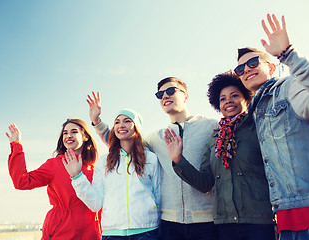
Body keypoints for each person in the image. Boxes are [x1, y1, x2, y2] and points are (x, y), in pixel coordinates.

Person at [235, 13, 309, 239]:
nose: (246, 70)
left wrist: (289, 54)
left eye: (253, 63)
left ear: (272, 68)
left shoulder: (289, 88)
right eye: (240, 69)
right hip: (285, 218)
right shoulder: (254, 112)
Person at [89, 77, 218, 240]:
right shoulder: (156, 138)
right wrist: (97, 122)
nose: (165, 96)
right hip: (169, 224)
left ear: (186, 96)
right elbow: (123, 140)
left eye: (171, 91)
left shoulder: (212, 126)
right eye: (160, 94)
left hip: (206, 222)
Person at [164, 72, 276, 240]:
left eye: (234, 96)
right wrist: (178, 160)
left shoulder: (258, 128)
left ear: (246, 98)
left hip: (259, 222)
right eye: (222, 99)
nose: (228, 101)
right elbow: (205, 183)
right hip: (225, 225)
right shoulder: (215, 138)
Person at [63, 109, 161, 240]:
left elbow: (159, 195)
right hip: (112, 234)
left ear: (136, 127)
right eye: (117, 122)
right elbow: (96, 203)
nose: (121, 125)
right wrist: (77, 176)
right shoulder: (104, 161)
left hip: (147, 232)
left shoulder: (150, 158)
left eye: (127, 121)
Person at [6, 119, 102, 240]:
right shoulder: (54, 165)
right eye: (65, 133)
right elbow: (22, 181)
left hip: (91, 234)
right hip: (61, 232)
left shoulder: (95, 168)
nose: (68, 136)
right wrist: (16, 145)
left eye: (74, 131)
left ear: (85, 136)